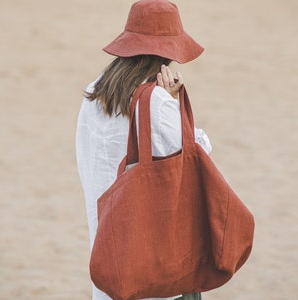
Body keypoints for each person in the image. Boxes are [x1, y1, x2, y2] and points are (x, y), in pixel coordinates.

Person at [76, 0, 211, 299]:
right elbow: (197, 153)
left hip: (108, 252)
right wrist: (172, 105)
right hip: (157, 264)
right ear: (166, 53)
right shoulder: (157, 102)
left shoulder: (94, 92)